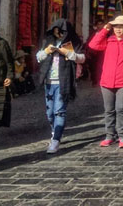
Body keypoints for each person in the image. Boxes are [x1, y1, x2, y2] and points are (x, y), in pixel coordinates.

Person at [88, 15, 123, 148]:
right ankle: (109, 135)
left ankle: (122, 136)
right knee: (109, 110)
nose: (118, 30)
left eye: (121, 27)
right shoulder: (108, 41)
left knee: (121, 108)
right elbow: (93, 45)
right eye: (116, 27)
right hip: (107, 80)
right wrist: (104, 30)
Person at [36, 19, 85, 153]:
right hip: (48, 82)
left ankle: (56, 140)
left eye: (61, 32)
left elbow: (82, 58)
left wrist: (68, 53)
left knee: (59, 111)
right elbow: (38, 57)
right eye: (57, 32)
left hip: (64, 82)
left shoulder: (74, 43)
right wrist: (46, 51)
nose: (59, 34)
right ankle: (55, 131)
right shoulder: (48, 42)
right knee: (50, 112)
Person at [84, 19, 105, 86]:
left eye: (101, 24)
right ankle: (94, 80)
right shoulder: (93, 33)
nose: (100, 26)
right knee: (93, 67)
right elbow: (88, 42)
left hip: (102, 52)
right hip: (93, 52)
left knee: (101, 66)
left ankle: (100, 79)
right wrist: (87, 51)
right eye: (98, 24)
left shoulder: (106, 34)